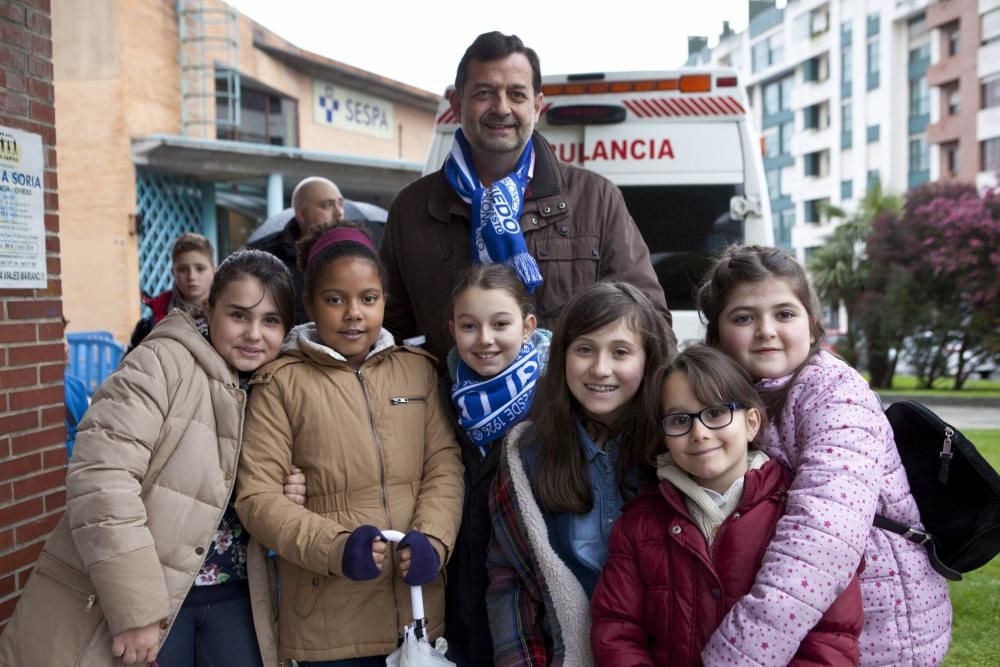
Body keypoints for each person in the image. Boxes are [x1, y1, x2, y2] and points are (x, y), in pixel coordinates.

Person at [0, 249, 307, 666]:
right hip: (153, 599)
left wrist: (285, 489)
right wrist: (137, 610)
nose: (254, 333)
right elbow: (102, 481)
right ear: (209, 308)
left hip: (237, 594)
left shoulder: (273, 385)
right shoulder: (159, 364)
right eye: (239, 315)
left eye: (270, 320)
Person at [696, 245, 952, 666]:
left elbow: (823, 536)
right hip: (815, 614)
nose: (766, 330)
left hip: (878, 621)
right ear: (718, 335)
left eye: (784, 313)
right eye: (744, 317)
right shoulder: (741, 394)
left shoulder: (835, 394)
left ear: (813, 326)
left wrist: (739, 654)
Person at [235, 220, 464, 666]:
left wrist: (434, 540)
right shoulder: (280, 382)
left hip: (417, 614)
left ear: (385, 301)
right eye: (335, 300)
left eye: (368, 299)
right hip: (327, 625)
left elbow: (443, 466)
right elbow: (257, 497)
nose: (353, 312)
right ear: (309, 305)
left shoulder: (417, 371)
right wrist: (335, 547)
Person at [380, 31, 673, 365]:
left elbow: (651, 324)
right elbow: (387, 335)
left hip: (564, 416)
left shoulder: (596, 198)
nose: (501, 108)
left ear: (536, 106)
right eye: (484, 93)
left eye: (516, 94)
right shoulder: (412, 209)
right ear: (457, 105)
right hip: (447, 416)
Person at [591, 345, 864, 666]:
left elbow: (832, 639)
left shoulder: (799, 517)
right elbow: (617, 630)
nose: (699, 433)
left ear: (751, 422)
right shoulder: (640, 522)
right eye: (680, 420)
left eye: (717, 413)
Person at [486, 281, 675, 666]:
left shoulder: (677, 446)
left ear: (649, 359)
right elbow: (510, 584)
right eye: (584, 349)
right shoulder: (528, 454)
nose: (600, 368)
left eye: (621, 352)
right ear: (563, 356)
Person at [444, 263, 551, 665]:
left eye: (500, 324)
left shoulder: (555, 395)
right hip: (461, 587)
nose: (485, 340)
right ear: (452, 329)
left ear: (527, 327)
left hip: (532, 592)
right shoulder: (441, 394)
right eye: (469, 326)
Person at [248, 176, 345, 324]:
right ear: (301, 214)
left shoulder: (357, 254)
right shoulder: (264, 259)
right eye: (327, 206)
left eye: (340, 204)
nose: (339, 213)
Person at [127, 232, 216, 352]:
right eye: (183, 269)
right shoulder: (149, 326)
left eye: (200, 268)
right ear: (173, 272)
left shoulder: (230, 315)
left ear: (214, 271)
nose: (192, 276)